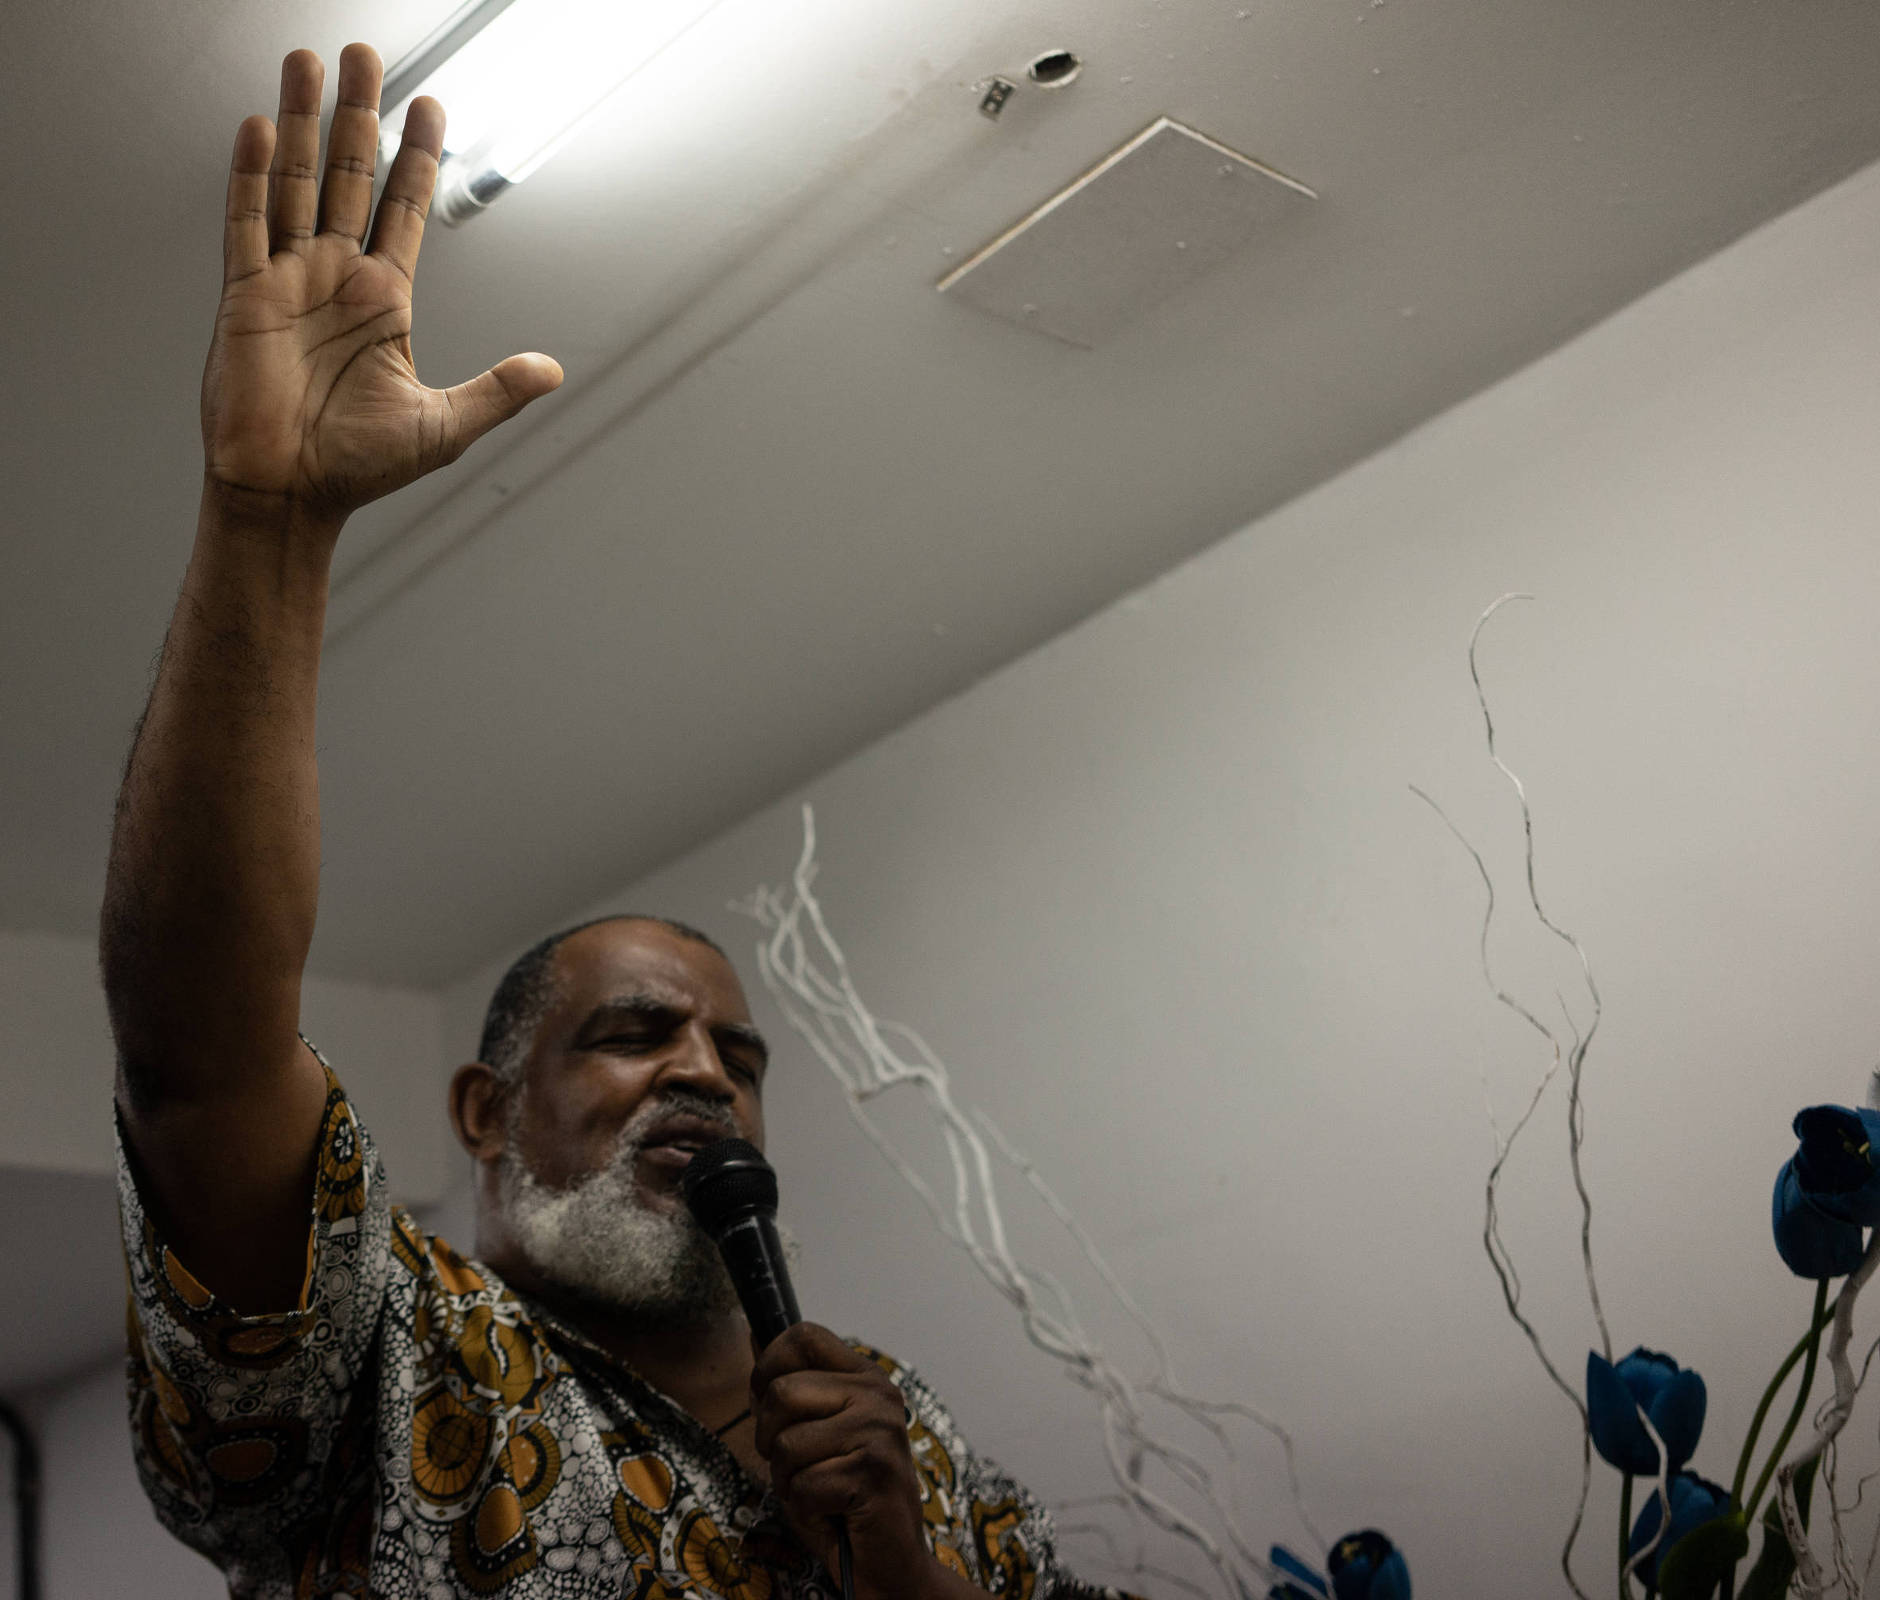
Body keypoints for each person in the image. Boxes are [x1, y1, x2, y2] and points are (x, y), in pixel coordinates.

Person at [100, 42, 1138, 1600]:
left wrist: (903, 1570)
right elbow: (197, 1050)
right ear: (482, 1107)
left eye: (738, 1056)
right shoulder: (382, 1356)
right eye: (634, 1034)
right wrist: (272, 521)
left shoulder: (911, 1450)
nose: (705, 1074)